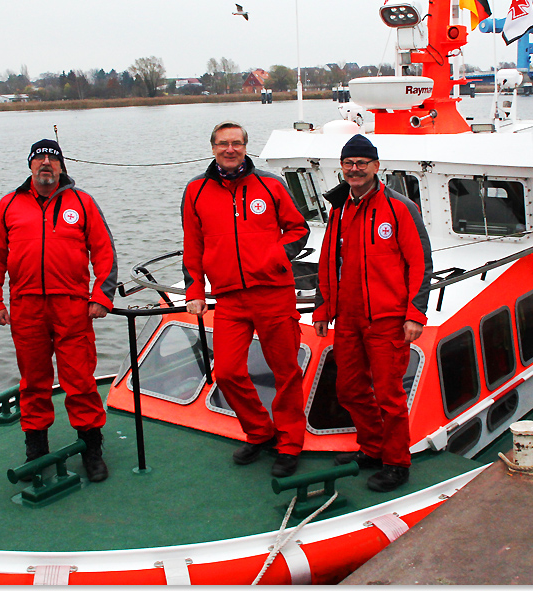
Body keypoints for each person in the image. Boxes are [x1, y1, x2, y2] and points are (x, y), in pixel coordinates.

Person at [0, 139, 118, 482]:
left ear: (61, 167)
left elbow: (105, 252)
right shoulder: (9, 205)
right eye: (39, 159)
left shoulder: (82, 203)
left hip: (73, 306)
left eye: (52, 159)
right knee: (33, 382)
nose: (46, 164)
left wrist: (102, 294)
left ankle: (91, 449)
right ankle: (36, 450)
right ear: (30, 165)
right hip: (26, 307)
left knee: (81, 381)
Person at [181, 121, 309, 478]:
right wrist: (195, 291)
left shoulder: (269, 184)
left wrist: (274, 256)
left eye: (237, 143)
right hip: (229, 299)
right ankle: (259, 432)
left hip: (273, 294)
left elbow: (298, 228)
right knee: (228, 371)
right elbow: (193, 246)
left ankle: (289, 443)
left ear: (245, 146)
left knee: (285, 372)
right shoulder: (196, 191)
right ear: (213, 147)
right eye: (223, 143)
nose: (230, 149)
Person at [313, 134, 433, 492]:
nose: (354, 169)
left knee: (389, 395)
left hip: (387, 319)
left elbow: (421, 262)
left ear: (376, 167)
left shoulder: (399, 208)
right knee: (349, 390)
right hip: (348, 318)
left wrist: (415, 313)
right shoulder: (340, 208)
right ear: (342, 168)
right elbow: (328, 262)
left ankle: (397, 462)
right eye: (349, 164)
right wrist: (323, 307)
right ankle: (372, 448)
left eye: (361, 163)